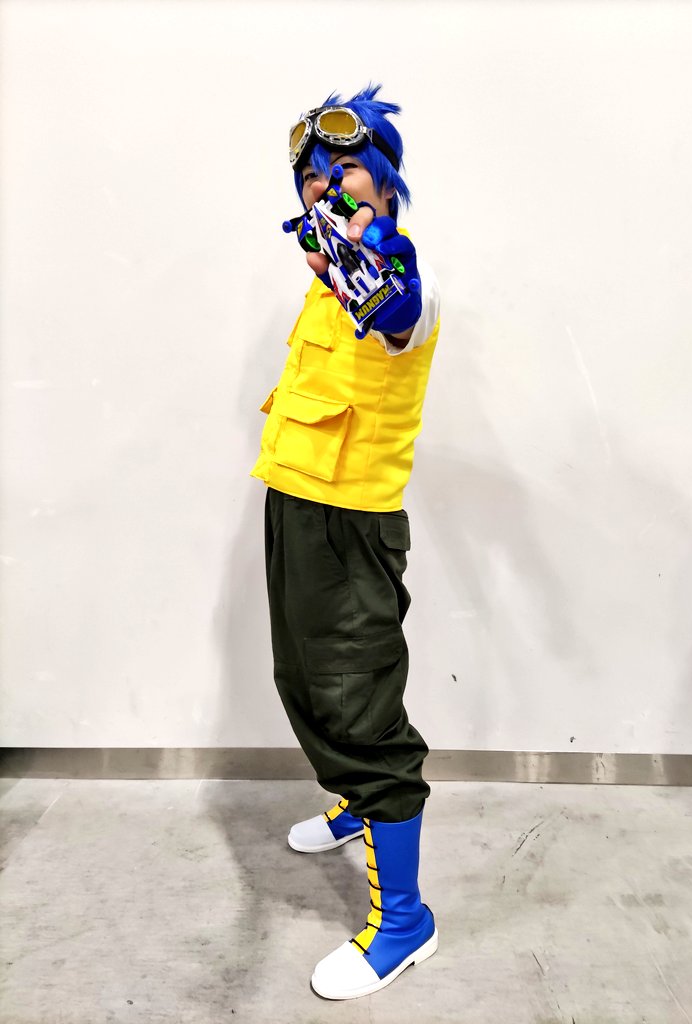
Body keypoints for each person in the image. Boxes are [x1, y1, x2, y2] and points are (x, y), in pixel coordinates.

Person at [251, 84, 441, 1000]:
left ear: (389, 183)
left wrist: (377, 264)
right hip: (293, 503)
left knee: (359, 703)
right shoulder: (323, 284)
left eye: (348, 169)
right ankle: (355, 806)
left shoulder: (406, 280)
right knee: (300, 677)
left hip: (351, 524)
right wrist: (339, 265)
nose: (327, 186)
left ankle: (404, 921)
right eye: (313, 178)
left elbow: (401, 312)